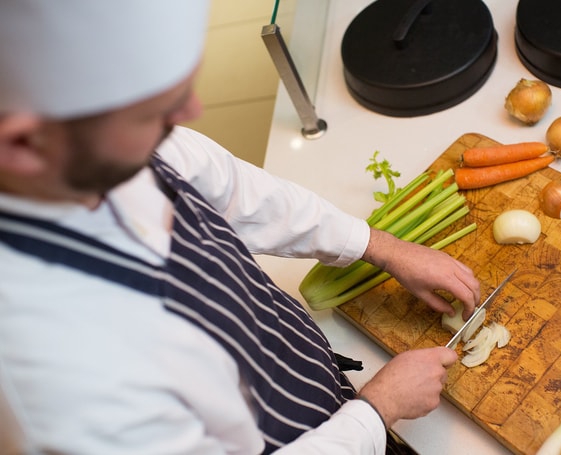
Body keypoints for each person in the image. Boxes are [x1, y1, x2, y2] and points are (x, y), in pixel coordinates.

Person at [0, 1, 480, 454]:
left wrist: (381, 246)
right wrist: (379, 410)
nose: (188, 115)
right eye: (153, 112)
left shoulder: (97, 148)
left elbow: (236, 191)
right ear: (22, 144)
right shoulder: (59, 383)